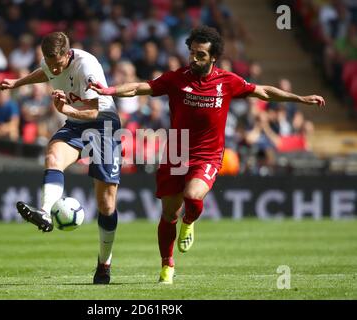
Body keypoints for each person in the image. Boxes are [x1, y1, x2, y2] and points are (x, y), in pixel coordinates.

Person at [89, 26, 325, 284]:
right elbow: (138, 88)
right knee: (168, 214)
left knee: (192, 196)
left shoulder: (228, 81)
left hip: (208, 154)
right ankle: (167, 264)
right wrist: (109, 90)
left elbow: (264, 92)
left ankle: (190, 221)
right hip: (177, 150)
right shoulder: (177, 78)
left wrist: (300, 98)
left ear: (213, 57)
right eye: (192, 53)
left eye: (200, 54)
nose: (194, 58)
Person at [0, 32, 121, 285]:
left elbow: (98, 110)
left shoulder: (87, 67)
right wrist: (17, 83)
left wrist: (67, 110)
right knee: (53, 154)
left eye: (58, 62)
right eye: (49, 61)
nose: (54, 67)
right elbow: (45, 72)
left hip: (104, 126)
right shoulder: (51, 62)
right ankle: (45, 211)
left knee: (106, 204)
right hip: (76, 125)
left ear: (68, 54)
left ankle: (104, 263)